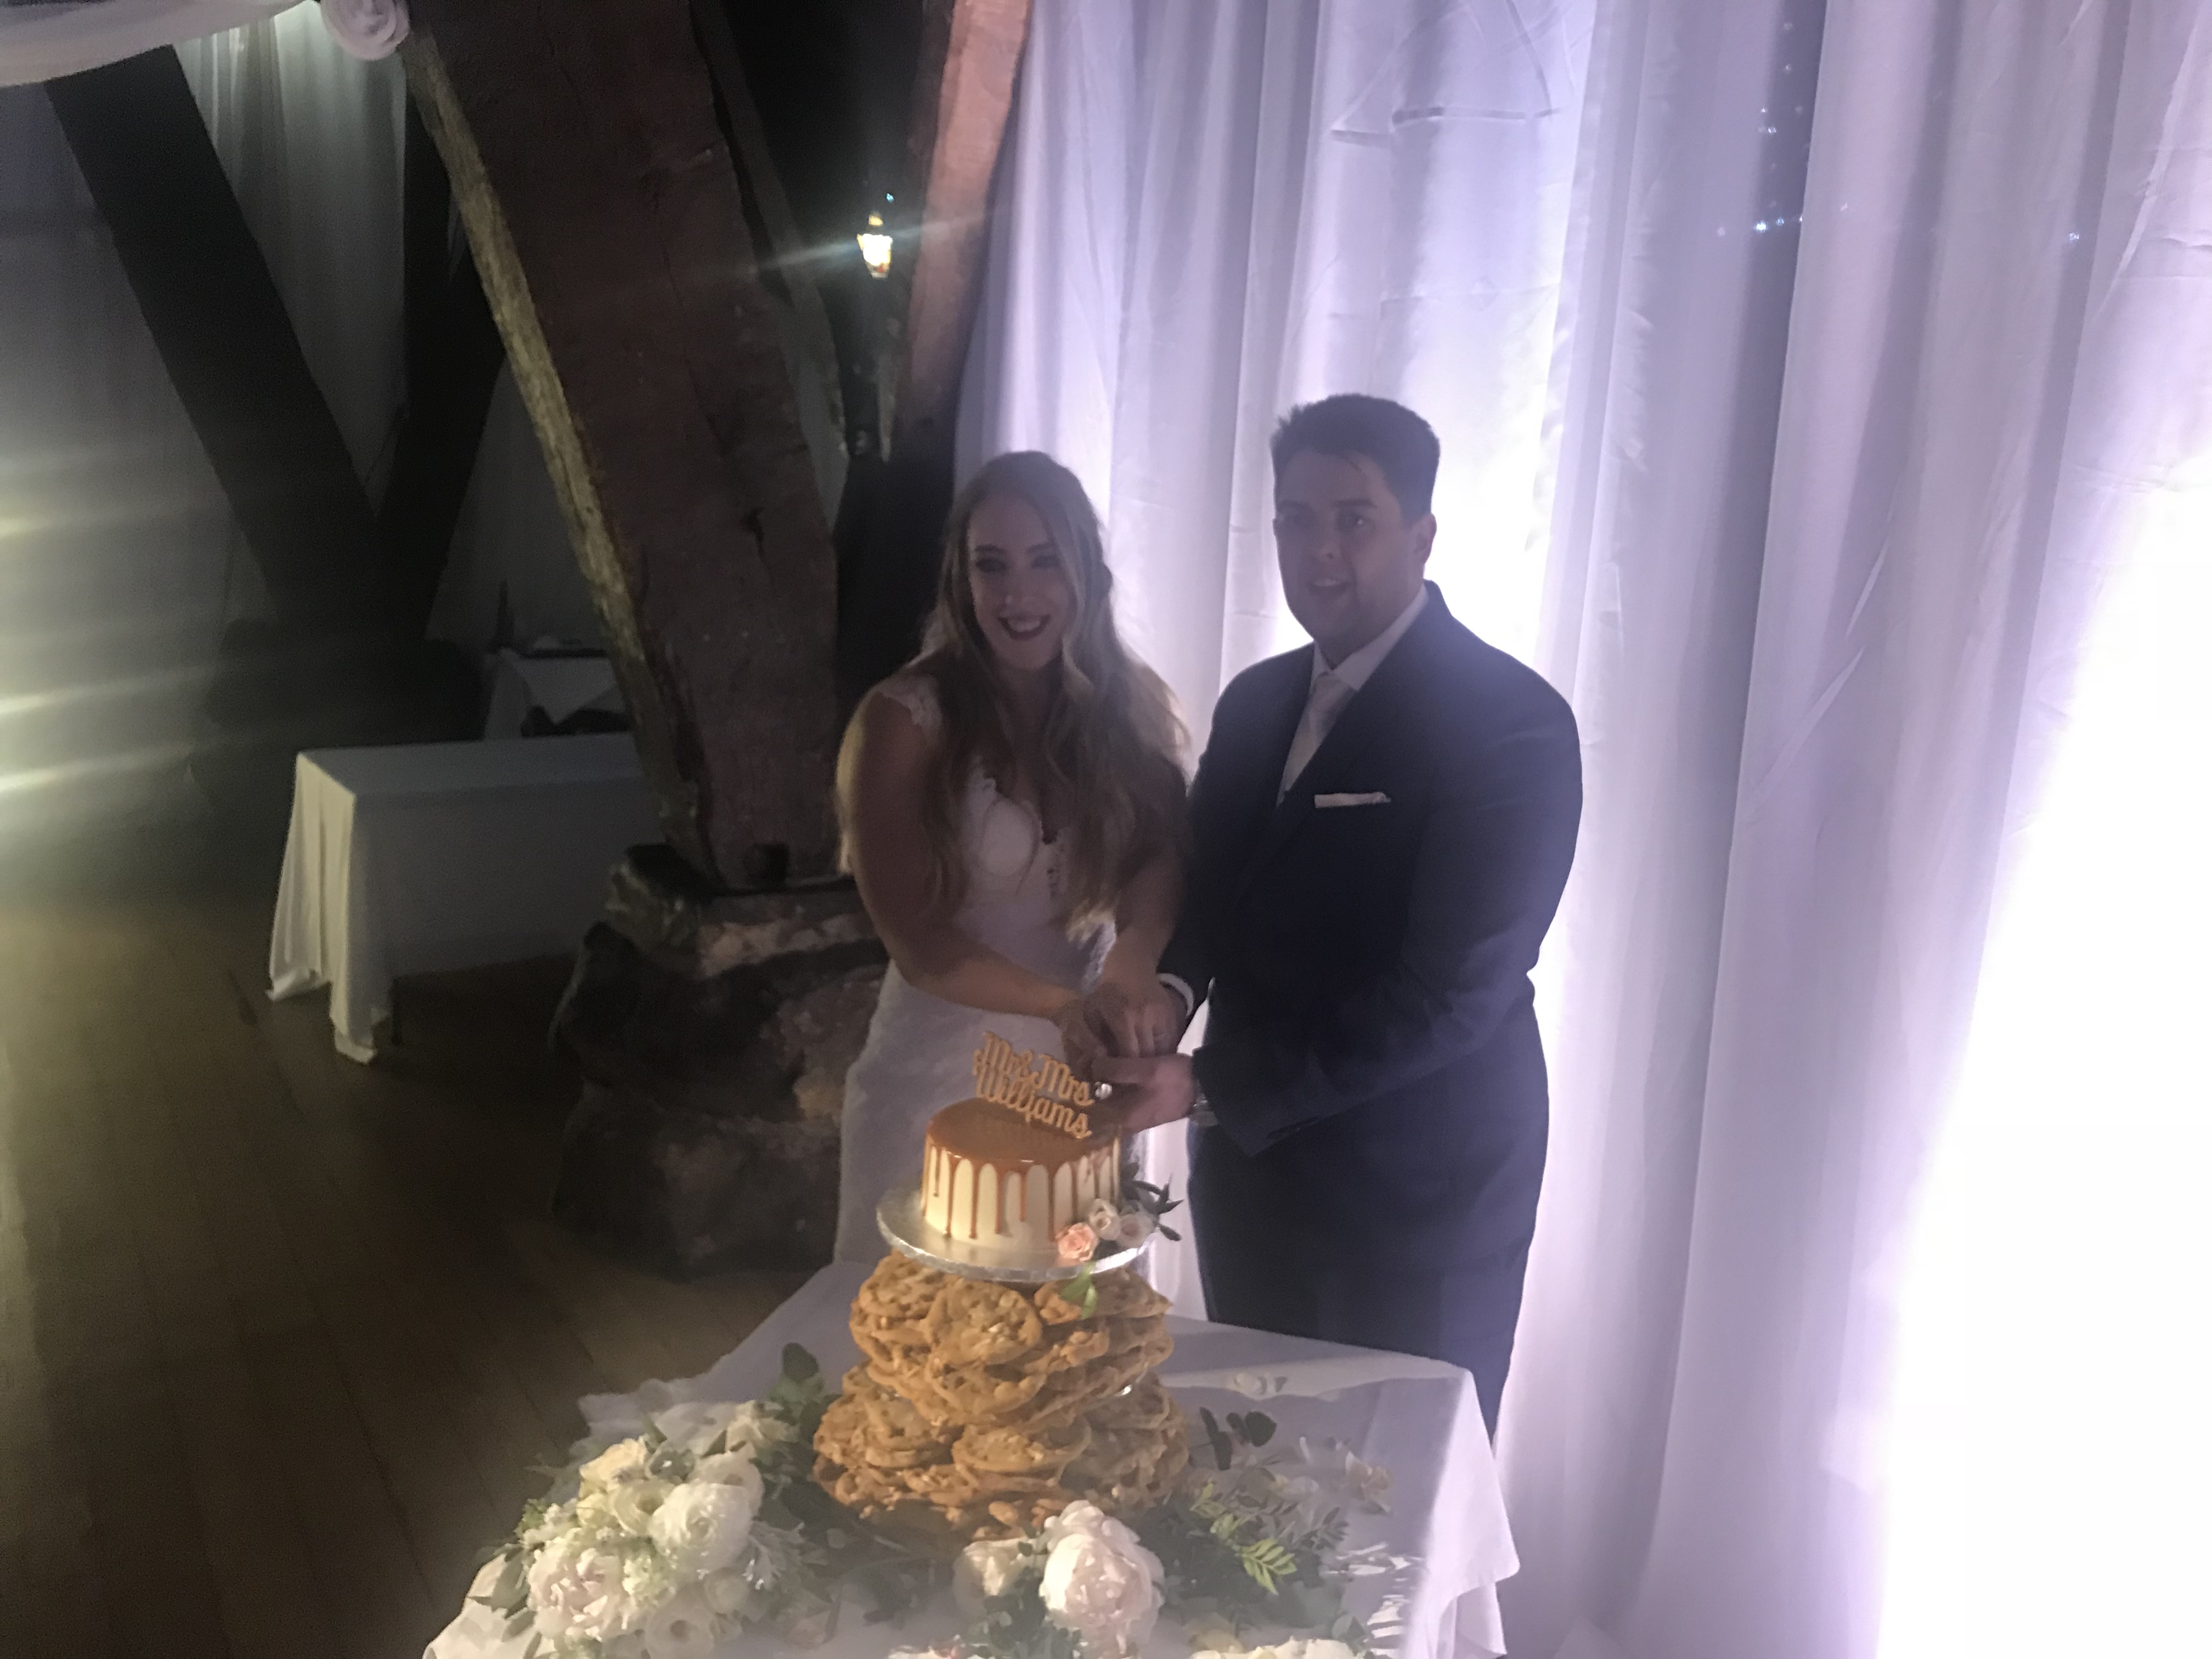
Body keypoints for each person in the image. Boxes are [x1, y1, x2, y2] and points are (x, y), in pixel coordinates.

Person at [1085, 395, 1582, 1430]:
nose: (1319, 550)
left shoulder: (1513, 724)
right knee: (1259, 1460)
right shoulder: (1256, 700)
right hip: (1256, 1173)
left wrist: (1205, 1083)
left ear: (1422, 535)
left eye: (1354, 519)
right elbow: (1212, 885)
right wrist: (1164, 992)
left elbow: (1450, 997)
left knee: (1397, 1479)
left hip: (1421, 1196)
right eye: (1295, 519)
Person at [831, 450, 1188, 1262]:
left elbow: (1157, 858)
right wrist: (1064, 1008)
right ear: (961, 582)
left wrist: (1133, 959)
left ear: (1084, 571)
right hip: (936, 1078)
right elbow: (918, 942)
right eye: (991, 566)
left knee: (1068, 1318)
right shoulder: (901, 722)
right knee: (916, 1321)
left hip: (1080, 1085)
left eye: (1044, 562)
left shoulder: (1131, 711)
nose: (1016, 595)